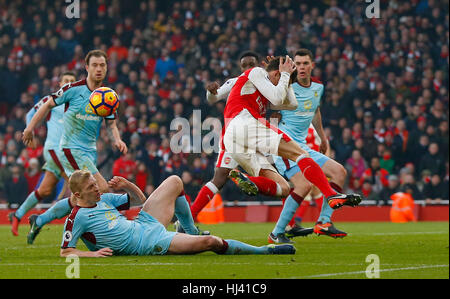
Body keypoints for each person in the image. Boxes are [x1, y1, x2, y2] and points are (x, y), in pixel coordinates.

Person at [221, 54, 362, 244]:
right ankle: (330, 194)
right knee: (301, 154)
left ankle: (253, 187)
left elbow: (291, 103)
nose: (279, 80)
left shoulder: (265, 91)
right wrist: (285, 75)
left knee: (284, 188)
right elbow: (278, 96)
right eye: (278, 76)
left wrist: (286, 80)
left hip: (235, 140)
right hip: (243, 123)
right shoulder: (256, 72)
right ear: (274, 71)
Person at [60, 170, 295, 257]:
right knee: (210, 241)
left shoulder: (105, 199)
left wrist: (127, 184)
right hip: (147, 242)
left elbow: (142, 201)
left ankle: (189, 229)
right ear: (78, 194)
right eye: (91, 186)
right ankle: (265, 251)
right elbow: (65, 252)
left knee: (174, 181)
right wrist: (93, 254)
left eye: (95, 183)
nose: (97, 188)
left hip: (144, 222)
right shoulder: (76, 217)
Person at [269, 49, 354, 241]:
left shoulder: (318, 87)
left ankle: (324, 221)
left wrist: (322, 138)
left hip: (304, 147)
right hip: (285, 146)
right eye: (297, 64)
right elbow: (272, 105)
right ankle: (277, 232)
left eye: (305, 63)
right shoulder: (287, 86)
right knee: (304, 186)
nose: (301, 67)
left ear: (312, 65)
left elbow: (315, 112)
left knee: (340, 172)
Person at [22, 50, 128, 194]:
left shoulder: (107, 96)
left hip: (90, 150)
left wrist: (117, 139)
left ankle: (42, 218)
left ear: (106, 68)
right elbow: (47, 105)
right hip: (71, 149)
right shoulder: (72, 89)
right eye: (95, 65)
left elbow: (111, 124)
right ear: (87, 68)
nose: (98, 69)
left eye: (102, 65)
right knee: (100, 188)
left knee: (79, 196)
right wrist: (29, 129)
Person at [9, 72, 76, 237]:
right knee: (78, 186)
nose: (68, 83)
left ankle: (17, 215)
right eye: (65, 81)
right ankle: (84, 228)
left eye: (72, 81)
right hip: (55, 149)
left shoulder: (77, 102)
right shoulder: (51, 100)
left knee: (45, 190)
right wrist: (29, 131)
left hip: (67, 152)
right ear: (59, 83)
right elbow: (30, 114)